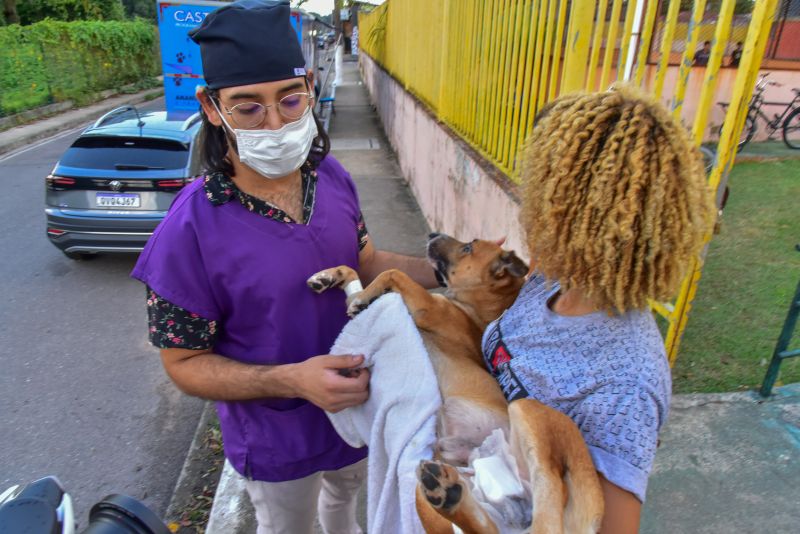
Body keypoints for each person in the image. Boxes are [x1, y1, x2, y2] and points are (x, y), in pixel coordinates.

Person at [131, 2, 437, 533]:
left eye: (290, 101)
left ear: (310, 87)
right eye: (248, 108)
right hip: (277, 439)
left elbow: (365, 263)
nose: (275, 123)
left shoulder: (332, 177)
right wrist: (292, 381)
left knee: (344, 509)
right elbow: (183, 364)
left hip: (360, 411)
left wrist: (453, 269)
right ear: (211, 107)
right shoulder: (188, 232)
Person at [482, 87, 715, 533]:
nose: (526, 199)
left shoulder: (625, 387)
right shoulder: (548, 284)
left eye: (542, 183)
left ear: (568, 208)